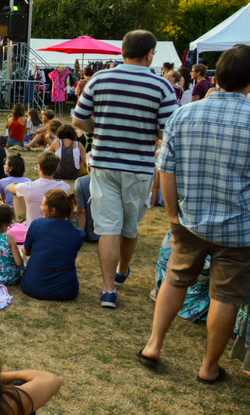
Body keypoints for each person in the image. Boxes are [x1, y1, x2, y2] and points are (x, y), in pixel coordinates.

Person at [137, 44, 250, 383]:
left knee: (176, 278)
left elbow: (167, 172)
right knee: (226, 295)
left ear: (218, 75)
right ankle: (208, 367)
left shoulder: (183, 115)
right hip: (240, 228)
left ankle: (154, 345)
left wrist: (173, 216)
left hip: (189, 220)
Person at [72, 29, 177, 308]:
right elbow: (171, 131)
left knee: (107, 227)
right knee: (129, 227)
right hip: (138, 167)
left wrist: (102, 131)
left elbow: (79, 120)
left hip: (104, 163)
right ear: (149, 53)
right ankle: (121, 271)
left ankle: (108, 291)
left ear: (123, 51)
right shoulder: (161, 86)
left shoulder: (100, 79)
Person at [21, 190, 85, 301]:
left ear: (53, 210)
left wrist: (26, 239)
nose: (40, 207)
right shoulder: (78, 234)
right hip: (66, 291)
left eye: (42, 204)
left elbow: (27, 252)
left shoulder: (37, 224)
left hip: (32, 285)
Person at [5, 152, 70, 226]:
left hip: (31, 227)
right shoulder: (65, 187)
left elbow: (8, 187)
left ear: (39, 167)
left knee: (16, 192)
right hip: (56, 225)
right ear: (56, 169)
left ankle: (20, 224)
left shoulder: (28, 187)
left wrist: (16, 185)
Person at [74, 171, 99, 242]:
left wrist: (80, 237)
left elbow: (81, 213)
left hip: (92, 233)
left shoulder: (81, 182)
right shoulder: (117, 180)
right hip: (114, 231)